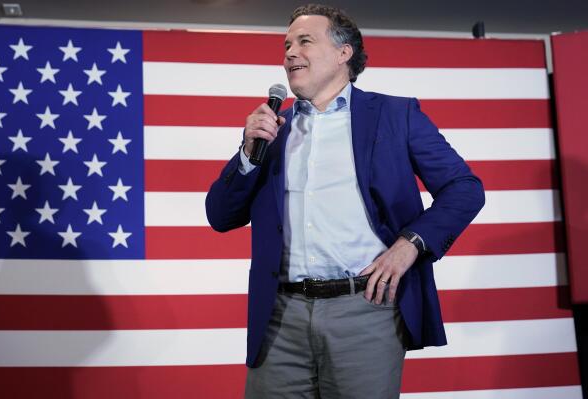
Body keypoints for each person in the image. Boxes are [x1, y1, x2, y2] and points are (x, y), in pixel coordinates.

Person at [206, 4, 485, 398]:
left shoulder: (395, 115)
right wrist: (249, 154)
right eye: (286, 45)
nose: (289, 53)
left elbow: (464, 187)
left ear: (343, 53)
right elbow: (220, 215)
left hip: (366, 311)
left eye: (305, 41)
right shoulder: (273, 130)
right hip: (280, 318)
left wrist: (411, 244)